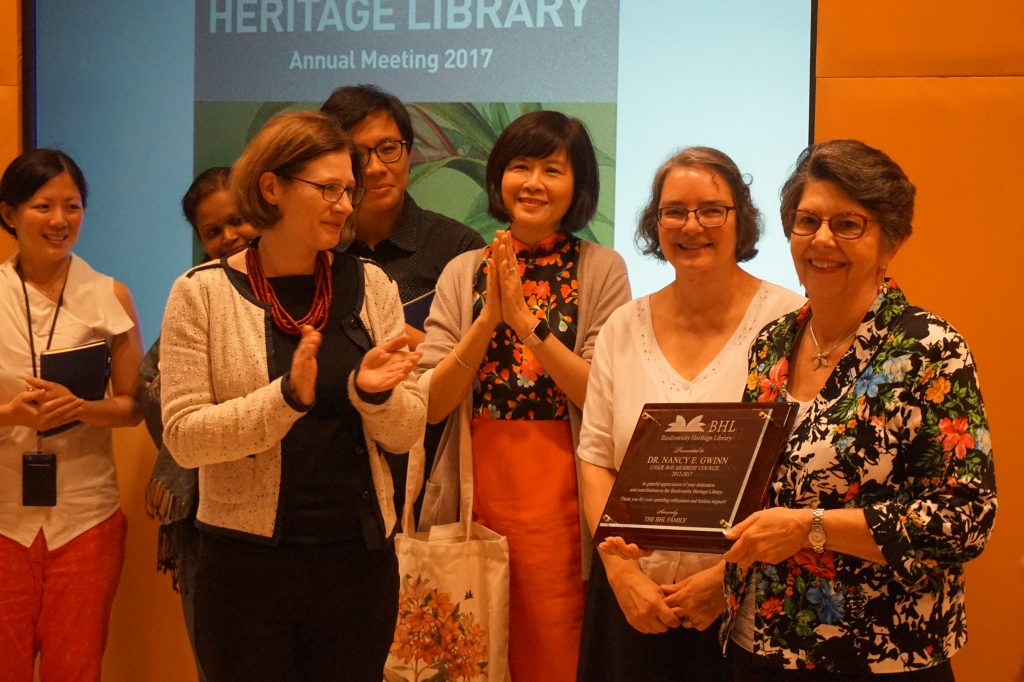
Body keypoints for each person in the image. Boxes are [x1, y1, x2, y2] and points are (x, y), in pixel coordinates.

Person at [158, 111, 426, 681]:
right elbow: (183, 438)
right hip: (244, 568)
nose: (344, 204)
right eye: (327, 188)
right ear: (272, 187)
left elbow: (406, 432)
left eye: (349, 191)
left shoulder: (370, 285)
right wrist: (284, 399)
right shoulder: (200, 293)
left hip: (357, 561)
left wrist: (374, 397)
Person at [721, 139, 997, 678]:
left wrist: (810, 528)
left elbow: (965, 522)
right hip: (758, 644)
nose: (822, 239)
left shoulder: (928, 350)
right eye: (807, 221)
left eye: (848, 224)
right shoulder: (771, 344)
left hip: (878, 656)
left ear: (891, 241)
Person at [575, 147, 805, 682]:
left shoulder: (790, 322)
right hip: (631, 598)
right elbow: (594, 459)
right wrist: (618, 570)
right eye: (674, 210)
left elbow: (798, 477)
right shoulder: (621, 328)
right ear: (656, 225)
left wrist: (728, 578)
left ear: (740, 219)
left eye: (712, 210)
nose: (691, 225)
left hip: (746, 606)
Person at [416, 110, 631, 681]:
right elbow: (432, 404)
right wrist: (489, 320)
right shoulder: (463, 271)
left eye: (552, 169)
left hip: (564, 486)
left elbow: (598, 394)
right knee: (476, 648)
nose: (534, 182)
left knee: (557, 645)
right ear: (499, 177)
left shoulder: (602, 268)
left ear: (577, 186)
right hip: (476, 482)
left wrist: (527, 323)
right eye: (520, 166)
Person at [0, 148, 144, 681]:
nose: (60, 221)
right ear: (10, 214)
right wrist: (10, 414)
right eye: (43, 206)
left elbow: (133, 406)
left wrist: (82, 407)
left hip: (86, 514)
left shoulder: (111, 296)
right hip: (3, 517)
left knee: (76, 667)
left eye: (72, 206)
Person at [321, 84, 485, 520]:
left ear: (409, 152)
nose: (375, 168)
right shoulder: (316, 247)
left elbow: (475, 363)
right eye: (359, 154)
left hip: (428, 466)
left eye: (388, 149)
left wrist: (371, 332)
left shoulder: (459, 246)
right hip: (331, 460)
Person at [139, 166, 259, 681]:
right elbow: (151, 383)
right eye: (213, 231)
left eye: (237, 221)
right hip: (204, 523)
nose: (229, 237)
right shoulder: (195, 297)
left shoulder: (312, 289)